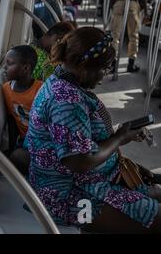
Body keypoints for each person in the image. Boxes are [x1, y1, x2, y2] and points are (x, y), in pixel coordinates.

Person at [25, 27, 161, 233]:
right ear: (84, 66)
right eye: (104, 68)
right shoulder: (67, 101)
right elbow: (79, 162)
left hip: (95, 181)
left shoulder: (61, 81)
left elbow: (80, 134)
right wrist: (119, 139)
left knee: (157, 193)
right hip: (68, 197)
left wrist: (120, 133)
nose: (104, 75)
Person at [2, 46, 42, 175]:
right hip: (25, 141)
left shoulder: (41, 90)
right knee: (13, 157)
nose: (4, 67)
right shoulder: (6, 90)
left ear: (26, 68)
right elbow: (13, 120)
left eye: (10, 64)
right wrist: (12, 147)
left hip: (43, 140)